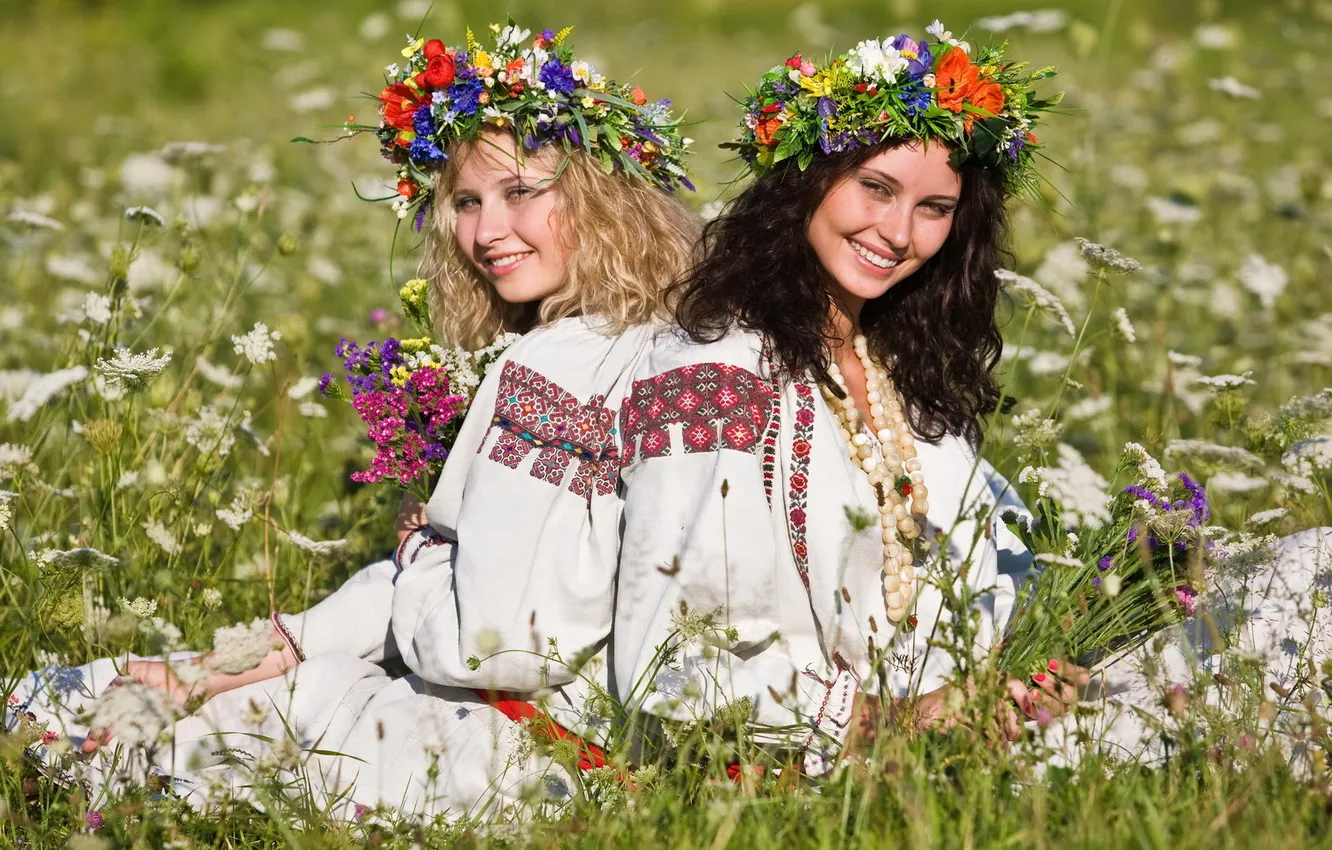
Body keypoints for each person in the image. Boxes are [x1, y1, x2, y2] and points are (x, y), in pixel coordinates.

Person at [7, 22, 699, 819]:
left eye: (520, 193)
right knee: (175, 692)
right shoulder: (651, 345)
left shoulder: (558, 369)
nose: (484, 233)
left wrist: (419, 554)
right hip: (564, 744)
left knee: (121, 721)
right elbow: (450, 583)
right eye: (466, 202)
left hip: (508, 749)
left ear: (601, 196)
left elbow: (495, 638)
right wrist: (223, 661)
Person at [611, 25, 1078, 772]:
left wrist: (1035, 674)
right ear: (805, 181)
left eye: (934, 208)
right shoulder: (717, 371)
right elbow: (674, 658)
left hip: (942, 742)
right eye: (876, 188)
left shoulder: (902, 370)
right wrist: (891, 723)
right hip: (782, 767)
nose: (897, 233)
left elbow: (981, 578)